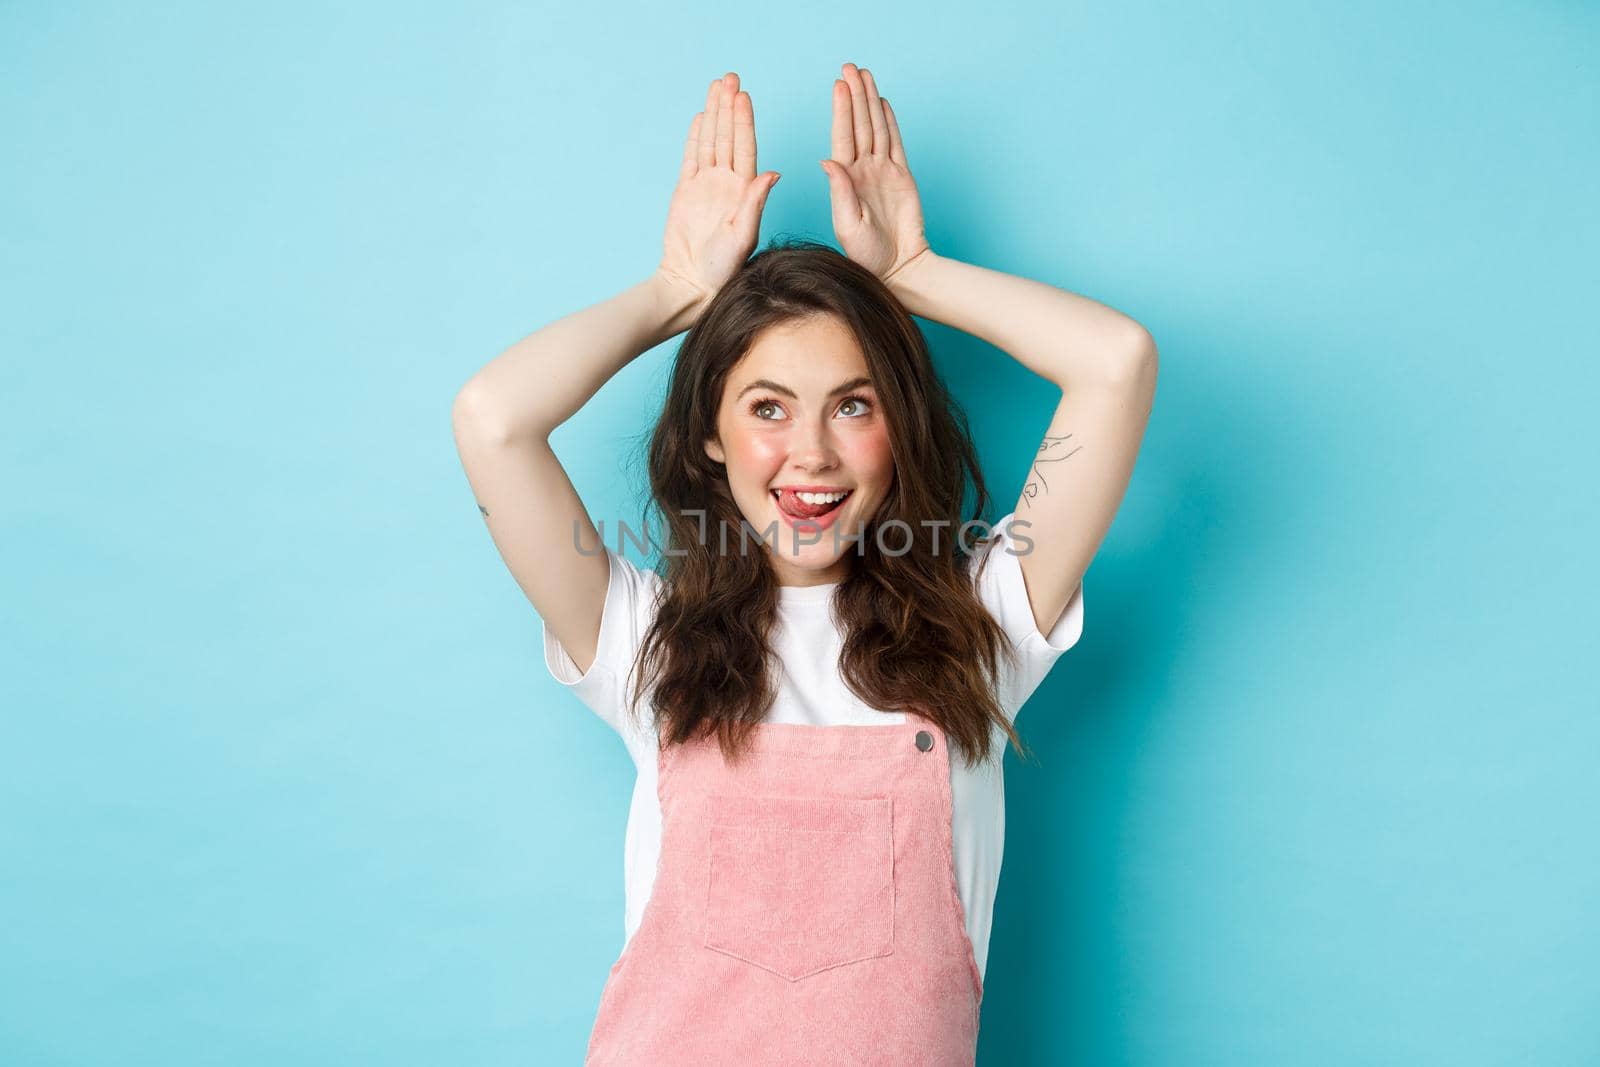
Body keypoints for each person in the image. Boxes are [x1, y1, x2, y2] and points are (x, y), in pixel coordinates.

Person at [452, 62, 1157, 1066]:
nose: (812, 453)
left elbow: (1114, 361)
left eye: (853, 404)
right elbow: (493, 420)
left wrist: (910, 272)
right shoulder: (640, 643)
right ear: (711, 436)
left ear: (896, 428)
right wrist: (676, 292)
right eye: (768, 406)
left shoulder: (984, 625)